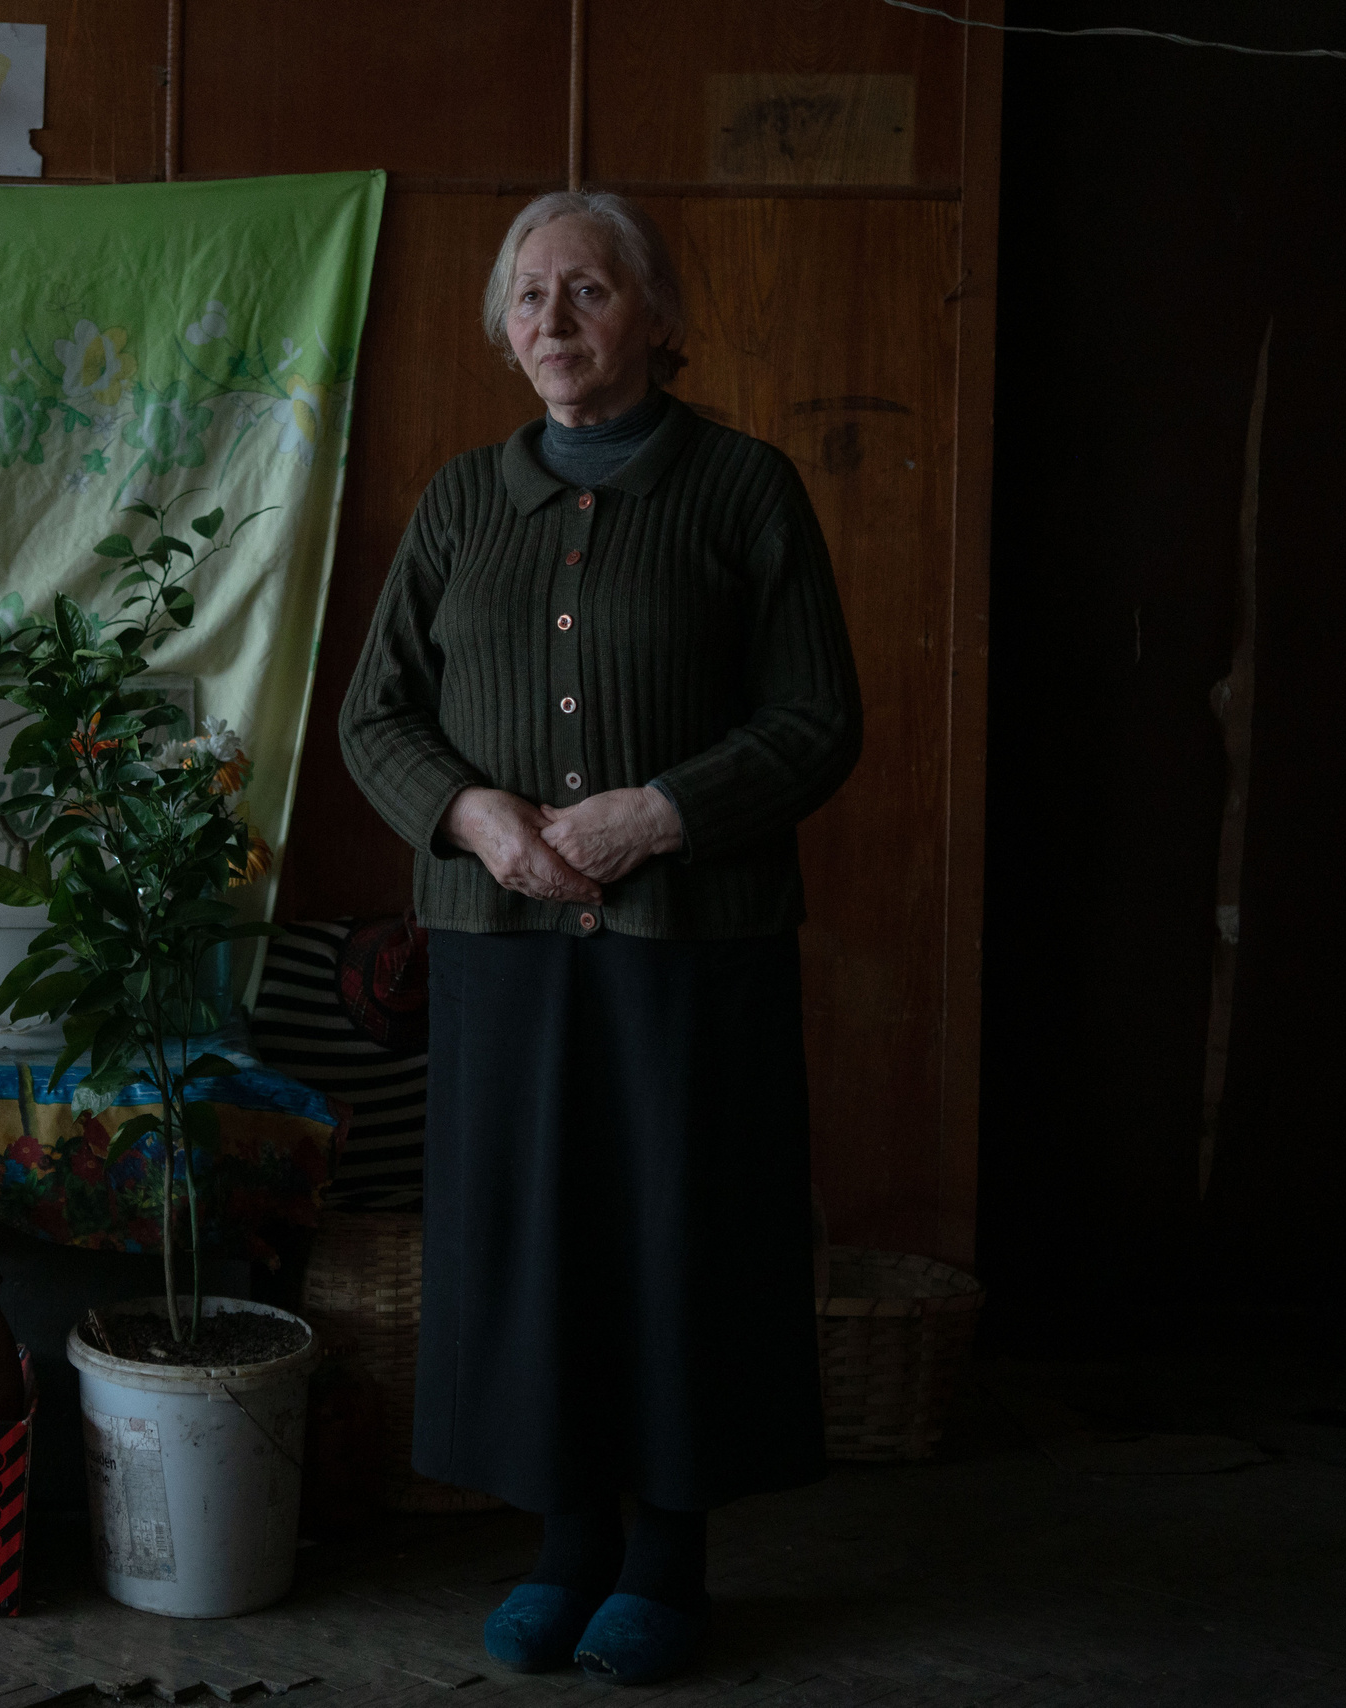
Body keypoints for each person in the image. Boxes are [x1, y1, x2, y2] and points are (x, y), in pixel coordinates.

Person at [337, 190, 862, 1684]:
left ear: (656, 317)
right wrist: (477, 818)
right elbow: (376, 715)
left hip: (691, 939)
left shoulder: (745, 491)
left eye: (584, 292)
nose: (551, 323)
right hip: (500, 943)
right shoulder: (458, 505)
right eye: (526, 300)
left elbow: (820, 719)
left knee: (679, 1237)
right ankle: (565, 1547)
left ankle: (670, 1563)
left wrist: (661, 816)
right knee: (529, 1244)